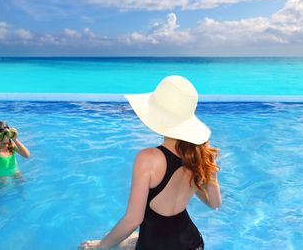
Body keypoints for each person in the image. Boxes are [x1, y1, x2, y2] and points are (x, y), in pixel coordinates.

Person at [80, 75, 221, 250]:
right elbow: (214, 203)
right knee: (129, 241)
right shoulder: (202, 156)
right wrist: (195, 178)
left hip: (155, 245)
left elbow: (133, 219)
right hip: (193, 243)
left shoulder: (148, 158)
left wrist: (100, 246)